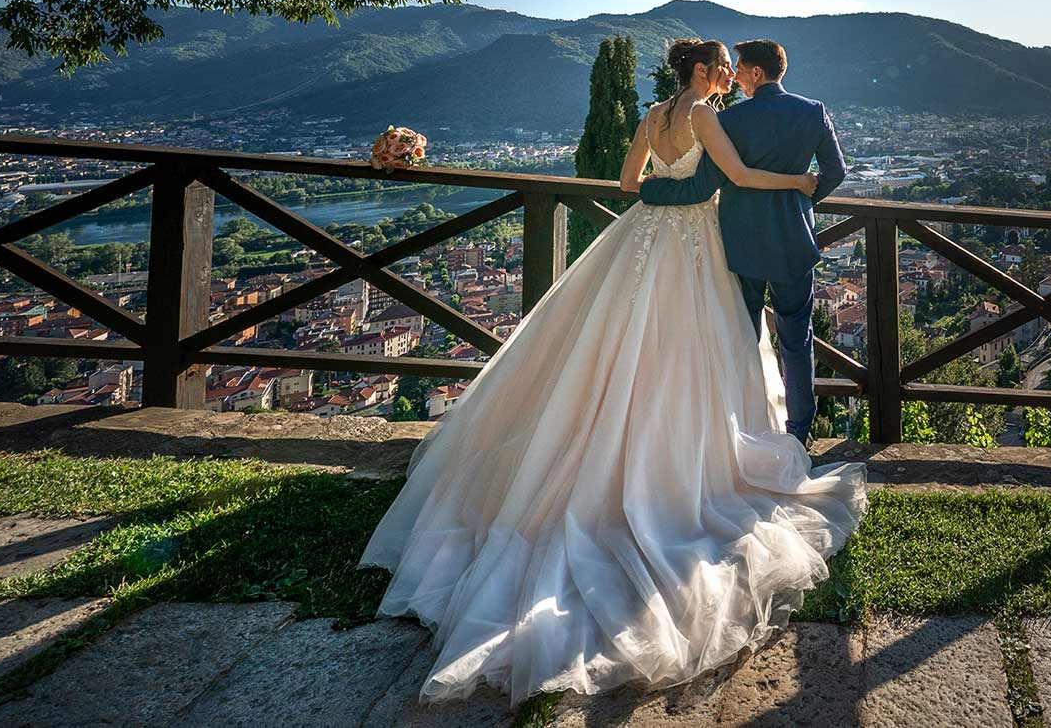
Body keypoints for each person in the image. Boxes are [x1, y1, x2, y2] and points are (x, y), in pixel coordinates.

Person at [359, 38, 868, 704]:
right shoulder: (708, 114)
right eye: (716, 66)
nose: (723, 75)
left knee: (613, 350)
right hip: (692, 244)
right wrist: (800, 185)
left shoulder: (655, 114)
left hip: (641, 236)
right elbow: (736, 180)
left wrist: (662, 192)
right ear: (701, 70)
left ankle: (599, 444)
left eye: (726, 67)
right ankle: (682, 461)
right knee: (691, 356)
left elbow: (630, 184)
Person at [634, 37, 848, 444]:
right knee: (797, 340)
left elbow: (702, 186)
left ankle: (745, 425)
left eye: (740, 69)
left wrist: (649, 191)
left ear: (755, 72)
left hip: (740, 243)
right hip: (793, 242)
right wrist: (801, 198)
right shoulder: (813, 112)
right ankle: (799, 431)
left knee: (741, 338)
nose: (736, 78)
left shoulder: (730, 120)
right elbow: (835, 173)